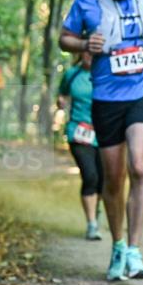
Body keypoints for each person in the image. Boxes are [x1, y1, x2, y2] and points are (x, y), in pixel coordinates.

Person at [58, 0, 143, 281]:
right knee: (113, 177)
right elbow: (64, 38)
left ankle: (135, 250)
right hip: (105, 98)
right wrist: (82, 44)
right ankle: (118, 245)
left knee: (138, 165)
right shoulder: (87, 0)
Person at [57, 51, 103, 241]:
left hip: (104, 133)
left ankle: (96, 207)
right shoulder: (72, 74)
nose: (89, 56)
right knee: (89, 175)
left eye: (93, 53)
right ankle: (91, 223)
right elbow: (62, 94)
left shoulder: (106, 74)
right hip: (78, 132)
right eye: (86, 52)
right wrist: (60, 102)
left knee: (103, 180)